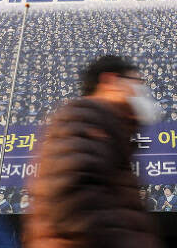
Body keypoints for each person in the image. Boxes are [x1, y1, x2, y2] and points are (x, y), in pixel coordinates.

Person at [24, 55, 163, 248]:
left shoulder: (110, 131)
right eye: (136, 82)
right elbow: (73, 201)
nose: (141, 91)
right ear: (110, 81)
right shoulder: (84, 119)